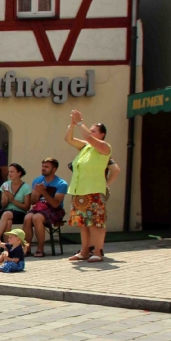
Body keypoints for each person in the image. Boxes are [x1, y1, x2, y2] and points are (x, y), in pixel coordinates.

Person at [64, 110, 113, 263]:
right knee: (83, 223)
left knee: (95, 223)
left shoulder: (104, 147)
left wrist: (80, 123)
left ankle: (98, 251)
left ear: (102, 134)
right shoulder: (86, 147)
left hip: (94, 190)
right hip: (80, 190)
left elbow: (87, 137)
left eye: (94, 131)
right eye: (89, 130)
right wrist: (72, 125)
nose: (90, 132)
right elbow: (69, 139)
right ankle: (84, 251)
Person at [24, 157, 69, 257]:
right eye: (43, 166)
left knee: (37, 217)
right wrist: (35, 194)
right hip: (40, 208)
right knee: (27, 218)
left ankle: (40, 249)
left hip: (55, 210)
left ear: (54, 169)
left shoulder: (61, 184)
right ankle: (26, 248)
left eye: (47, 167)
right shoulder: (37, 180)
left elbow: (55, 204)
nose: (43, 168)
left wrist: (43, 192)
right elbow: (33, 202)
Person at [0, 164, 32, 241]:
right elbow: (3, 205)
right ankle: (7, 247)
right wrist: (6, 197)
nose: (9, 174)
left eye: (12, 172)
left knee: (6, 214)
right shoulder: (6, 184)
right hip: (6, 213)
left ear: (19, 173)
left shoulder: (25, 187)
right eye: (9, 172)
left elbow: (27, 207)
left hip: (20, 213)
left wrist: (13, 200)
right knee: (8, 222)